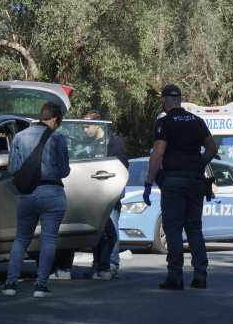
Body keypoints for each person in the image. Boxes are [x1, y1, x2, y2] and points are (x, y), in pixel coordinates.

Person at [143, 84, 218, 290]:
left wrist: (149, 182)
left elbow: (158, 153)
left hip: (174, 181)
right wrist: (199, 163)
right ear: (180, 100)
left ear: (164, 101)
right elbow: (212, 147)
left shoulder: (164, 122)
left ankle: (175, 277)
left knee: (173, 228)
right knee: (194, 228)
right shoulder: (196, 121)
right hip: (195, 181)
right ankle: (200, 276)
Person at [2, 102, 70, 298]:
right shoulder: (58, 138)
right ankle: (40, 286)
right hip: (53, 192)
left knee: (21, 238)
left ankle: (10, 284)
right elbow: (64, 170)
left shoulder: (20, 136)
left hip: (28, 194)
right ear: (55, 119)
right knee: (48, 239)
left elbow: (12, 168)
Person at [82, 111, 129, 280]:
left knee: (111, 227)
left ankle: (112, 263)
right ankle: (98, 264)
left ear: (98, 125)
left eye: (87, 126)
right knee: (98, 230)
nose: (84, 130)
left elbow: (120, 169)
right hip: (94, 193)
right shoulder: (88, 143)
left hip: (110, 192)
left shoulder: (114, 142)